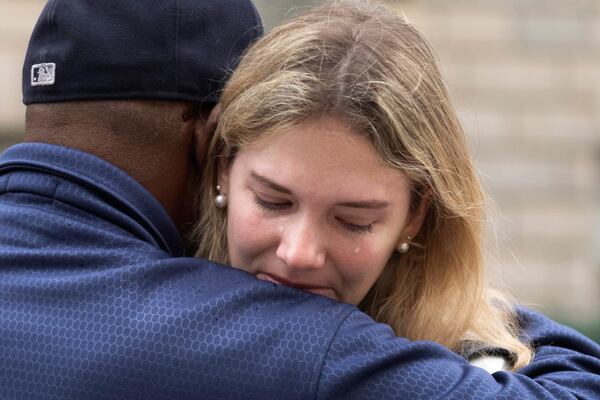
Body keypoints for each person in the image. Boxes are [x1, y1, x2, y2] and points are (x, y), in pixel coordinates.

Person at [1, 0, 599, 399]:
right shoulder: (280, 350)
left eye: (354, 219)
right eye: (273, 200)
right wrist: (478, 325)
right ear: (216, 158)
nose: (299, 252)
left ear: (417, 213)